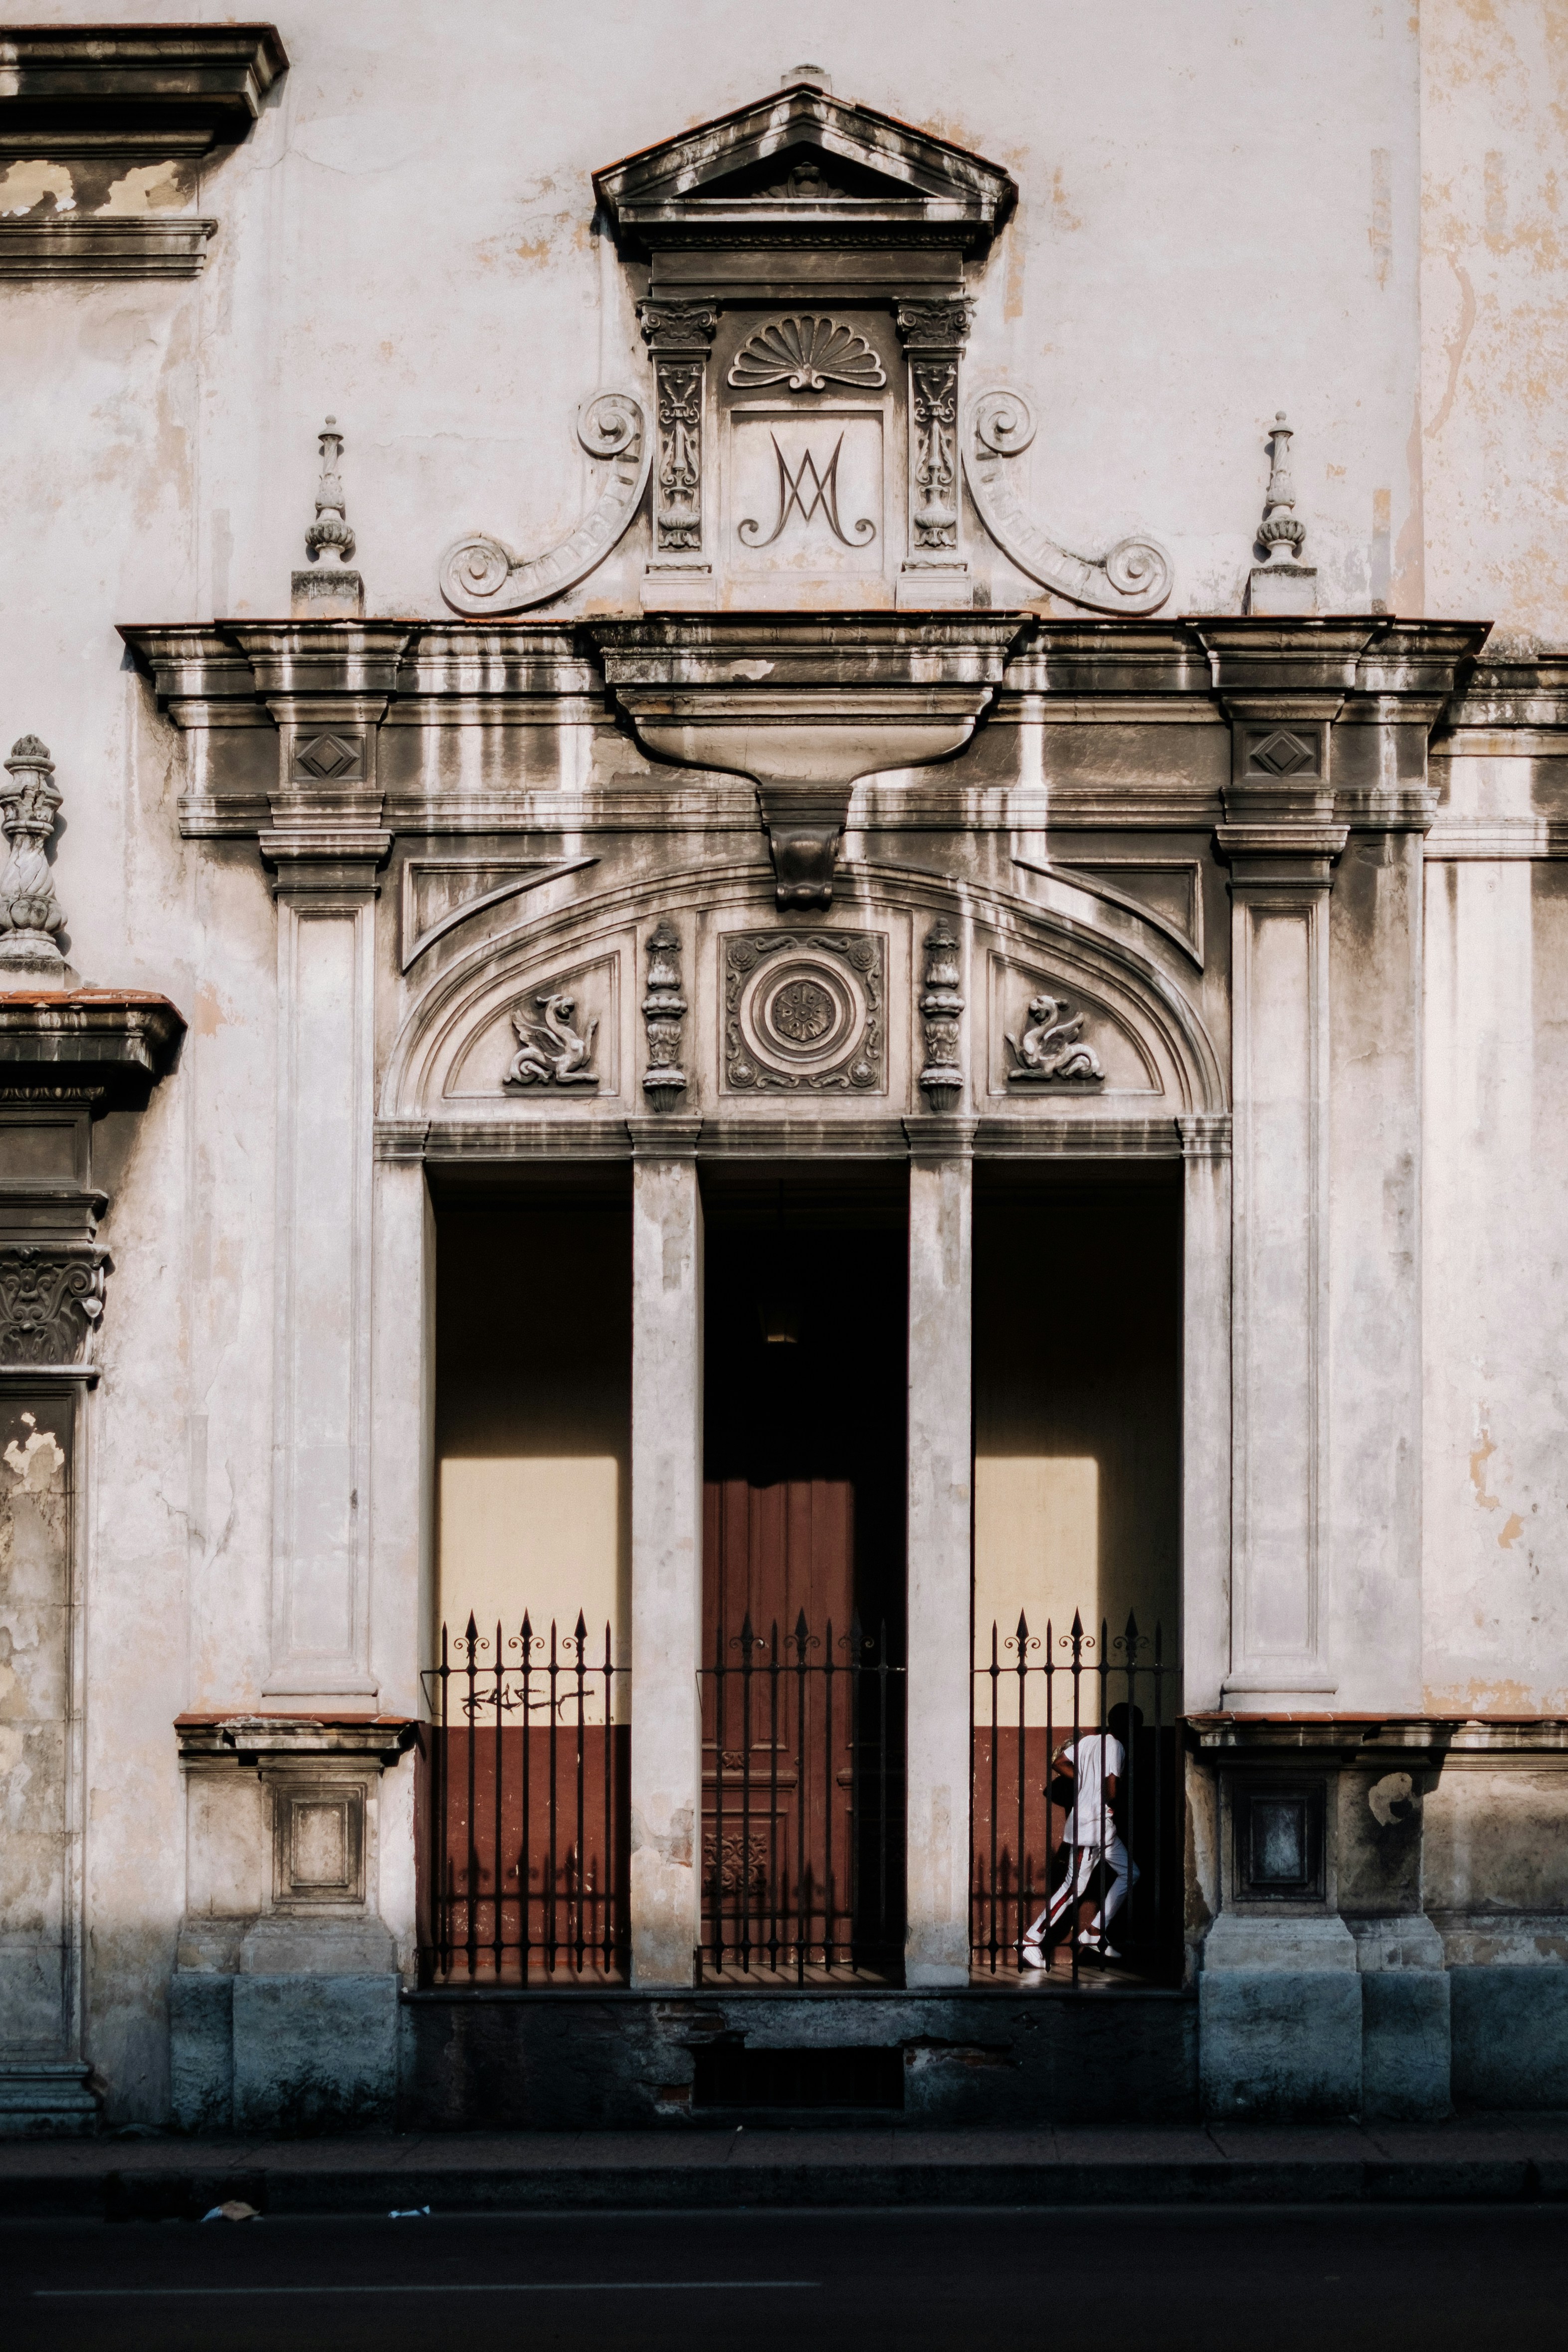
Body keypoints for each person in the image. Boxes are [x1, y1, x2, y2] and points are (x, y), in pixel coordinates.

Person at [1020, 1705, 1141, 1966]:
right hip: (1091, 1828)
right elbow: (1111, 1790)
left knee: (1131, 1873)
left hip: (1102, 1831)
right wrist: (1107, 1794)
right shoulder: (1116, 1747)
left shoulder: (1089, 1742)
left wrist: (1084, 1780)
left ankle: (1095, 1933)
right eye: (1136, 1726)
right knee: (1073, 1888)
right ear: (1127, 1726)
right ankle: (1031, 1939)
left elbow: (1058, 1762)